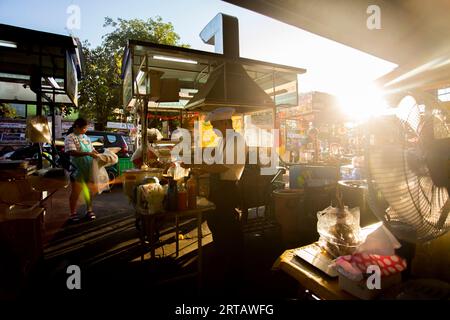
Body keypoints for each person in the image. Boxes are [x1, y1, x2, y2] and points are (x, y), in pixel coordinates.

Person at [185, 107, 246, 292]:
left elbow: (221, 167)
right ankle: (225, 261)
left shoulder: (237, 140)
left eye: (214, 125)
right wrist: (201, 167)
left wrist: (197, 165)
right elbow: (214, 163)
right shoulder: (222, 141)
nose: (212, 129)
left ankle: (235, 271)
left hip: (229, 189)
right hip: (219, 189)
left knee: (228, 227)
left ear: (226, 123)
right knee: (217, 224)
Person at [64, 118, 99, 222]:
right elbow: (72, 152)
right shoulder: (70, 138)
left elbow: (91, 149)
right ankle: (73, 213)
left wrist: (95, 152)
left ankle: (89, 210)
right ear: (77, 127)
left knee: (89, 191)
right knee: (76, 192)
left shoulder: (86, 137)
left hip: (88, 167)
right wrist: (88, 153)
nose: (85, 130)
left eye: (86, 128)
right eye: (84, 128)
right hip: (77, 168)